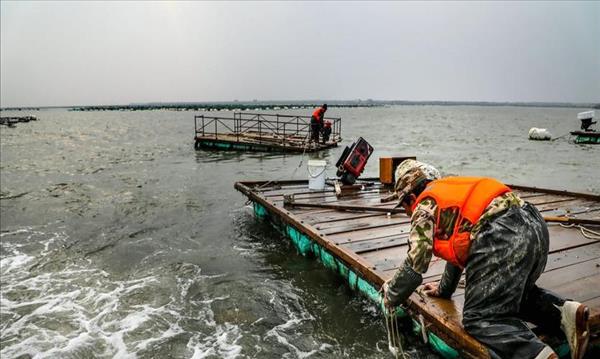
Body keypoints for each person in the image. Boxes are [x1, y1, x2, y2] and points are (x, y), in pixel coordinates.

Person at [382, 159, 590, 359]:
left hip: (502, 235)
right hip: (534, 225)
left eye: (404, 206)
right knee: (503, 295)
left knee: (479, 318)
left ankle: (535, 354)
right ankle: (567, 313)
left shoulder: (423, 206)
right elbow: (457, 250)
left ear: (409, 198)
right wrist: (444, 289)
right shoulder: (450, 190)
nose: (407, 212)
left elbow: (414, 265)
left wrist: (391, 295)